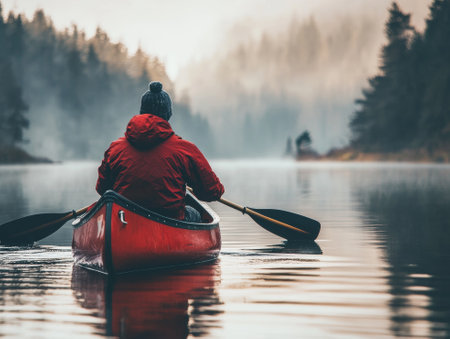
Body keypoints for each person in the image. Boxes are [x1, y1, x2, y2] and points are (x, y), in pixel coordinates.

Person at [96, 81, 224, 222]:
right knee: (196, 214)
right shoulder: (185, 150)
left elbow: (103, 189)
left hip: (125, 222)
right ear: (168, 114)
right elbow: (213, 192)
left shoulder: (115, 149)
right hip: (170, 222)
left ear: (142, 112)